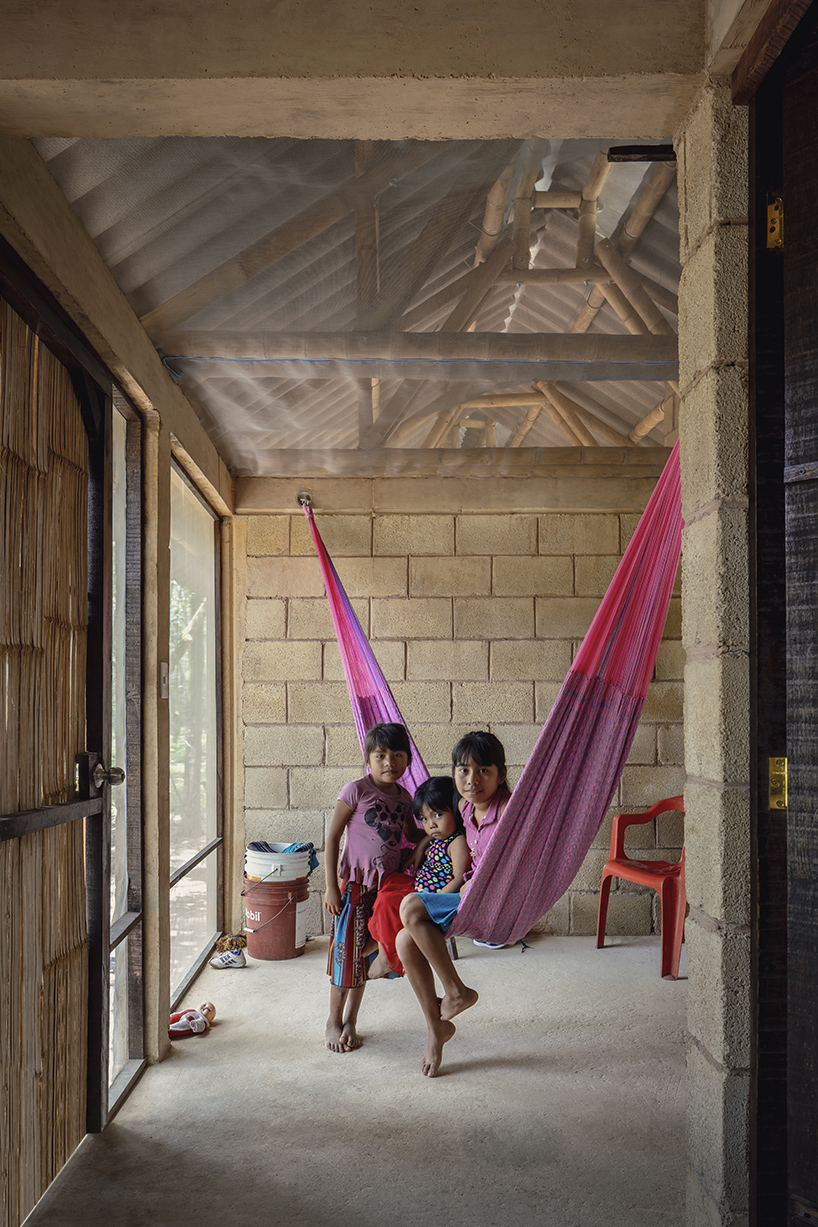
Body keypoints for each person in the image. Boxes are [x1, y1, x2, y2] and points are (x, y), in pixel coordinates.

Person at [396, 730, 512, 1077]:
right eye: (463, 770)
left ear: (501, 775)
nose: (472, 780)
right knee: (404, 939)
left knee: (411, 908)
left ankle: (456, 990)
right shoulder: (462, 808)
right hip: (467, 898)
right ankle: (437, 1029)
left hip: (488, 898)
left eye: (483, 771)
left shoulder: (509, 809)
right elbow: (436, 824)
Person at [324, 721, 420, 1053]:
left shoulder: (406, 799)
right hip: (354, 887)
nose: (389, 762)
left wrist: (447, 832)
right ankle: (333, 1021)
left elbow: (413, 835)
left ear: (407, 760)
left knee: (366, 955)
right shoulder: (357, 790)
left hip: (387, 888)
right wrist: (330, 888)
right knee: (345, 955)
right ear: (368, 759)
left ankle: (352, 1019)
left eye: (397, 755)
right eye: (380, 755)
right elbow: (333, 837)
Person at [367, 776, 470, 979]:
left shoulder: (457, 842)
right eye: (424, 819)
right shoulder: (437, 836)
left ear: (456, 811)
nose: (431, 824)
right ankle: (381, 942)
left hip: (430, 896)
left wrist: (434, 901)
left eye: (438, 815)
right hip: (418, 887)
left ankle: (388, 958)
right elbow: (423, 844)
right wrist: (416, 853)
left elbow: (459, 878)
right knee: (387, 885)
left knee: (389, 900)